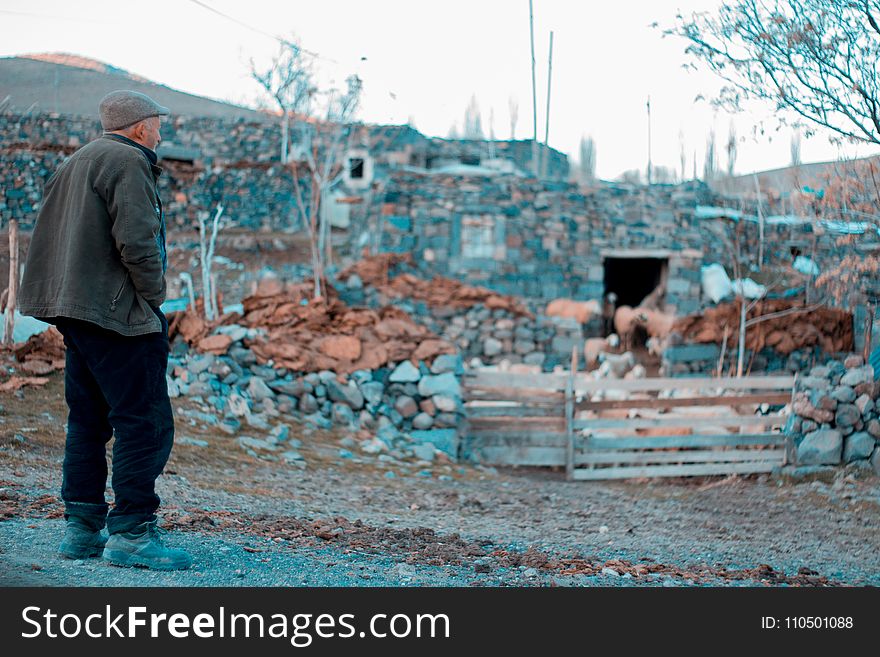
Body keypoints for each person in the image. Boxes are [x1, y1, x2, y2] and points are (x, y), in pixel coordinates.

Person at [18, 90, 191, 570]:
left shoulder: (78, 160)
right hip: (116, 314)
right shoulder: (127, 161)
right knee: (143, 421)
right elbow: (136, 239)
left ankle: (81, 528)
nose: (160, 132)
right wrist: (152, 299)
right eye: (157, 124)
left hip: (76, 309)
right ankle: (133, 532)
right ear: (138, 127)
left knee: (88, 420)